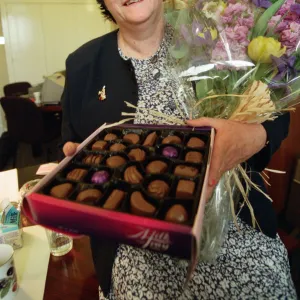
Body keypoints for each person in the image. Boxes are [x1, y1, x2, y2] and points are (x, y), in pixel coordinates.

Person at [61, 0, 297, 298]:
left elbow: (275, 109)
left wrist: (253, 135)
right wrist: (79, 173)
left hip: (240, 240)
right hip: (137, 259)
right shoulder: (83, 64)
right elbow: (70, 149)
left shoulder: (216, 35)